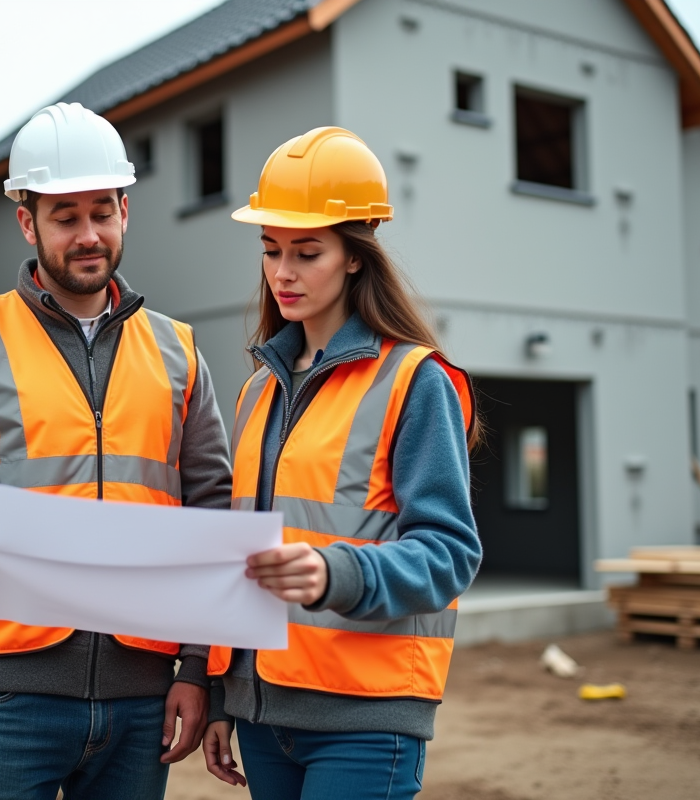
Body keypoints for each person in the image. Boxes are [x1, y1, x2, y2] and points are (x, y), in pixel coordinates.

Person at [0, 102, 233, 800]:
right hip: (5, 700)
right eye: (65, 216)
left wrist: (196, 671)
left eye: (103, 210)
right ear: (27, 221)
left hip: (141, 702)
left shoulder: (178, 352)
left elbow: (210, 516)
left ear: (127, 210)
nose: (89, 234)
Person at [200, 127, 483, 799]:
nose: (283, 272)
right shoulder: (257, 390)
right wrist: (221, 695)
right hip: (262, 713)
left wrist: (336, 570)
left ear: (355, 256)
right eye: (270, 251)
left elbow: (450, 554)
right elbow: (237, 556)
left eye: (307, 252)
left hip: (367, 716)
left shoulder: (415, 382)